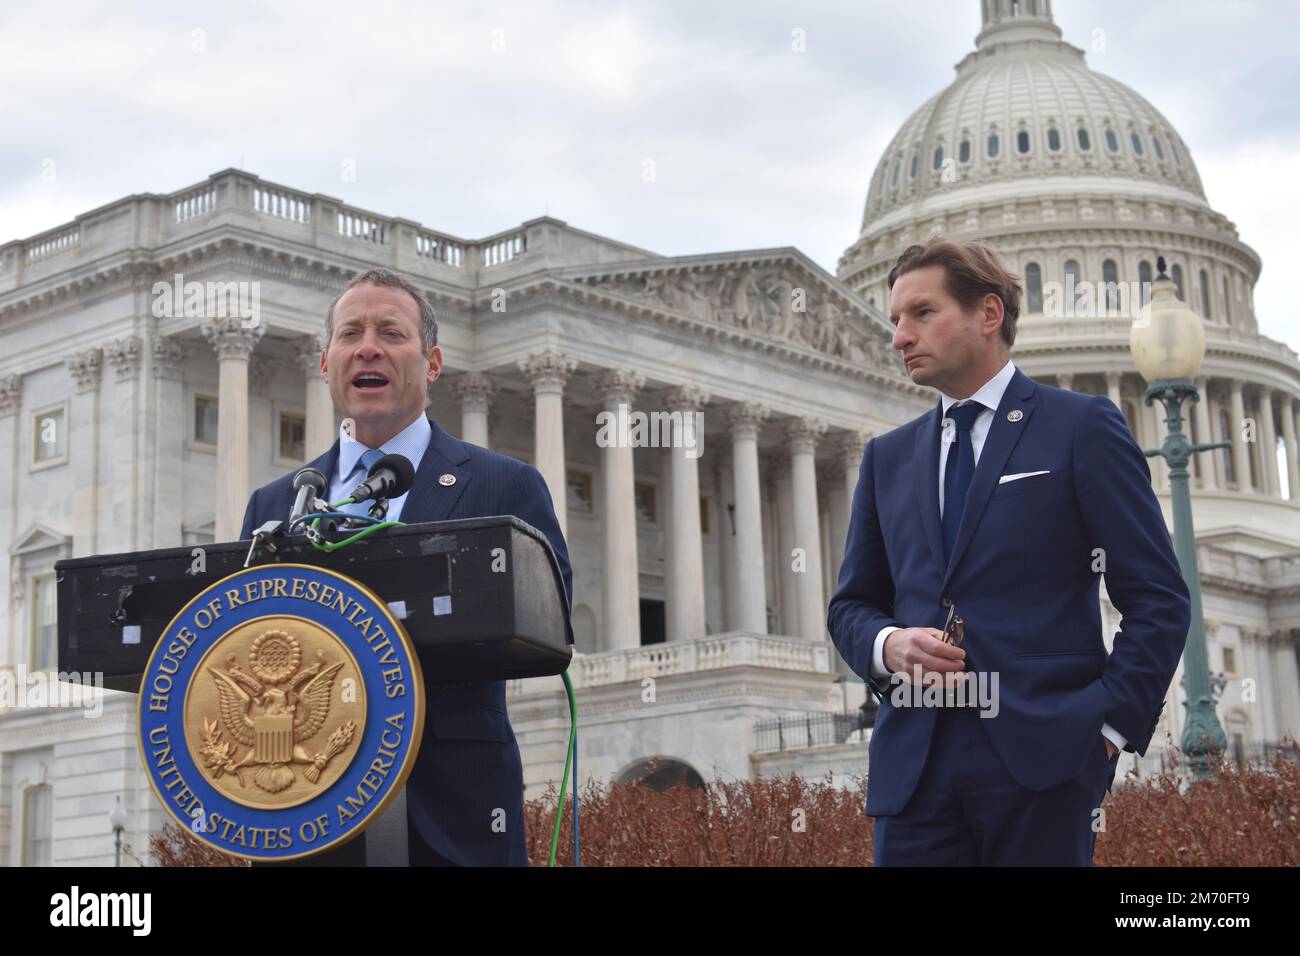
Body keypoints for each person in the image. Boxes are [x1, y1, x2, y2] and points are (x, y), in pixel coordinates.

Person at [827, 238, 1190, 866]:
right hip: (914, 768)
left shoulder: (1080, 427)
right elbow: (853, 604)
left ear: (988, 314)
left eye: (921, 313)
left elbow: (1158, 598)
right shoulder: (888, 457)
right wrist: (888, 646)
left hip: (1044, 762)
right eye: (894, 320)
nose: (899, 337)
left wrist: (1103, 732)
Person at [240, 267, 572, 866]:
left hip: (457, 810)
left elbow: (552, 619)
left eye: (391, 332)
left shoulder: (504, 484)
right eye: (350, 334)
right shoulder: (277, 504)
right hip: (307, 802)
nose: (367, 346)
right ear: (325, 364)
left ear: (433, 363)